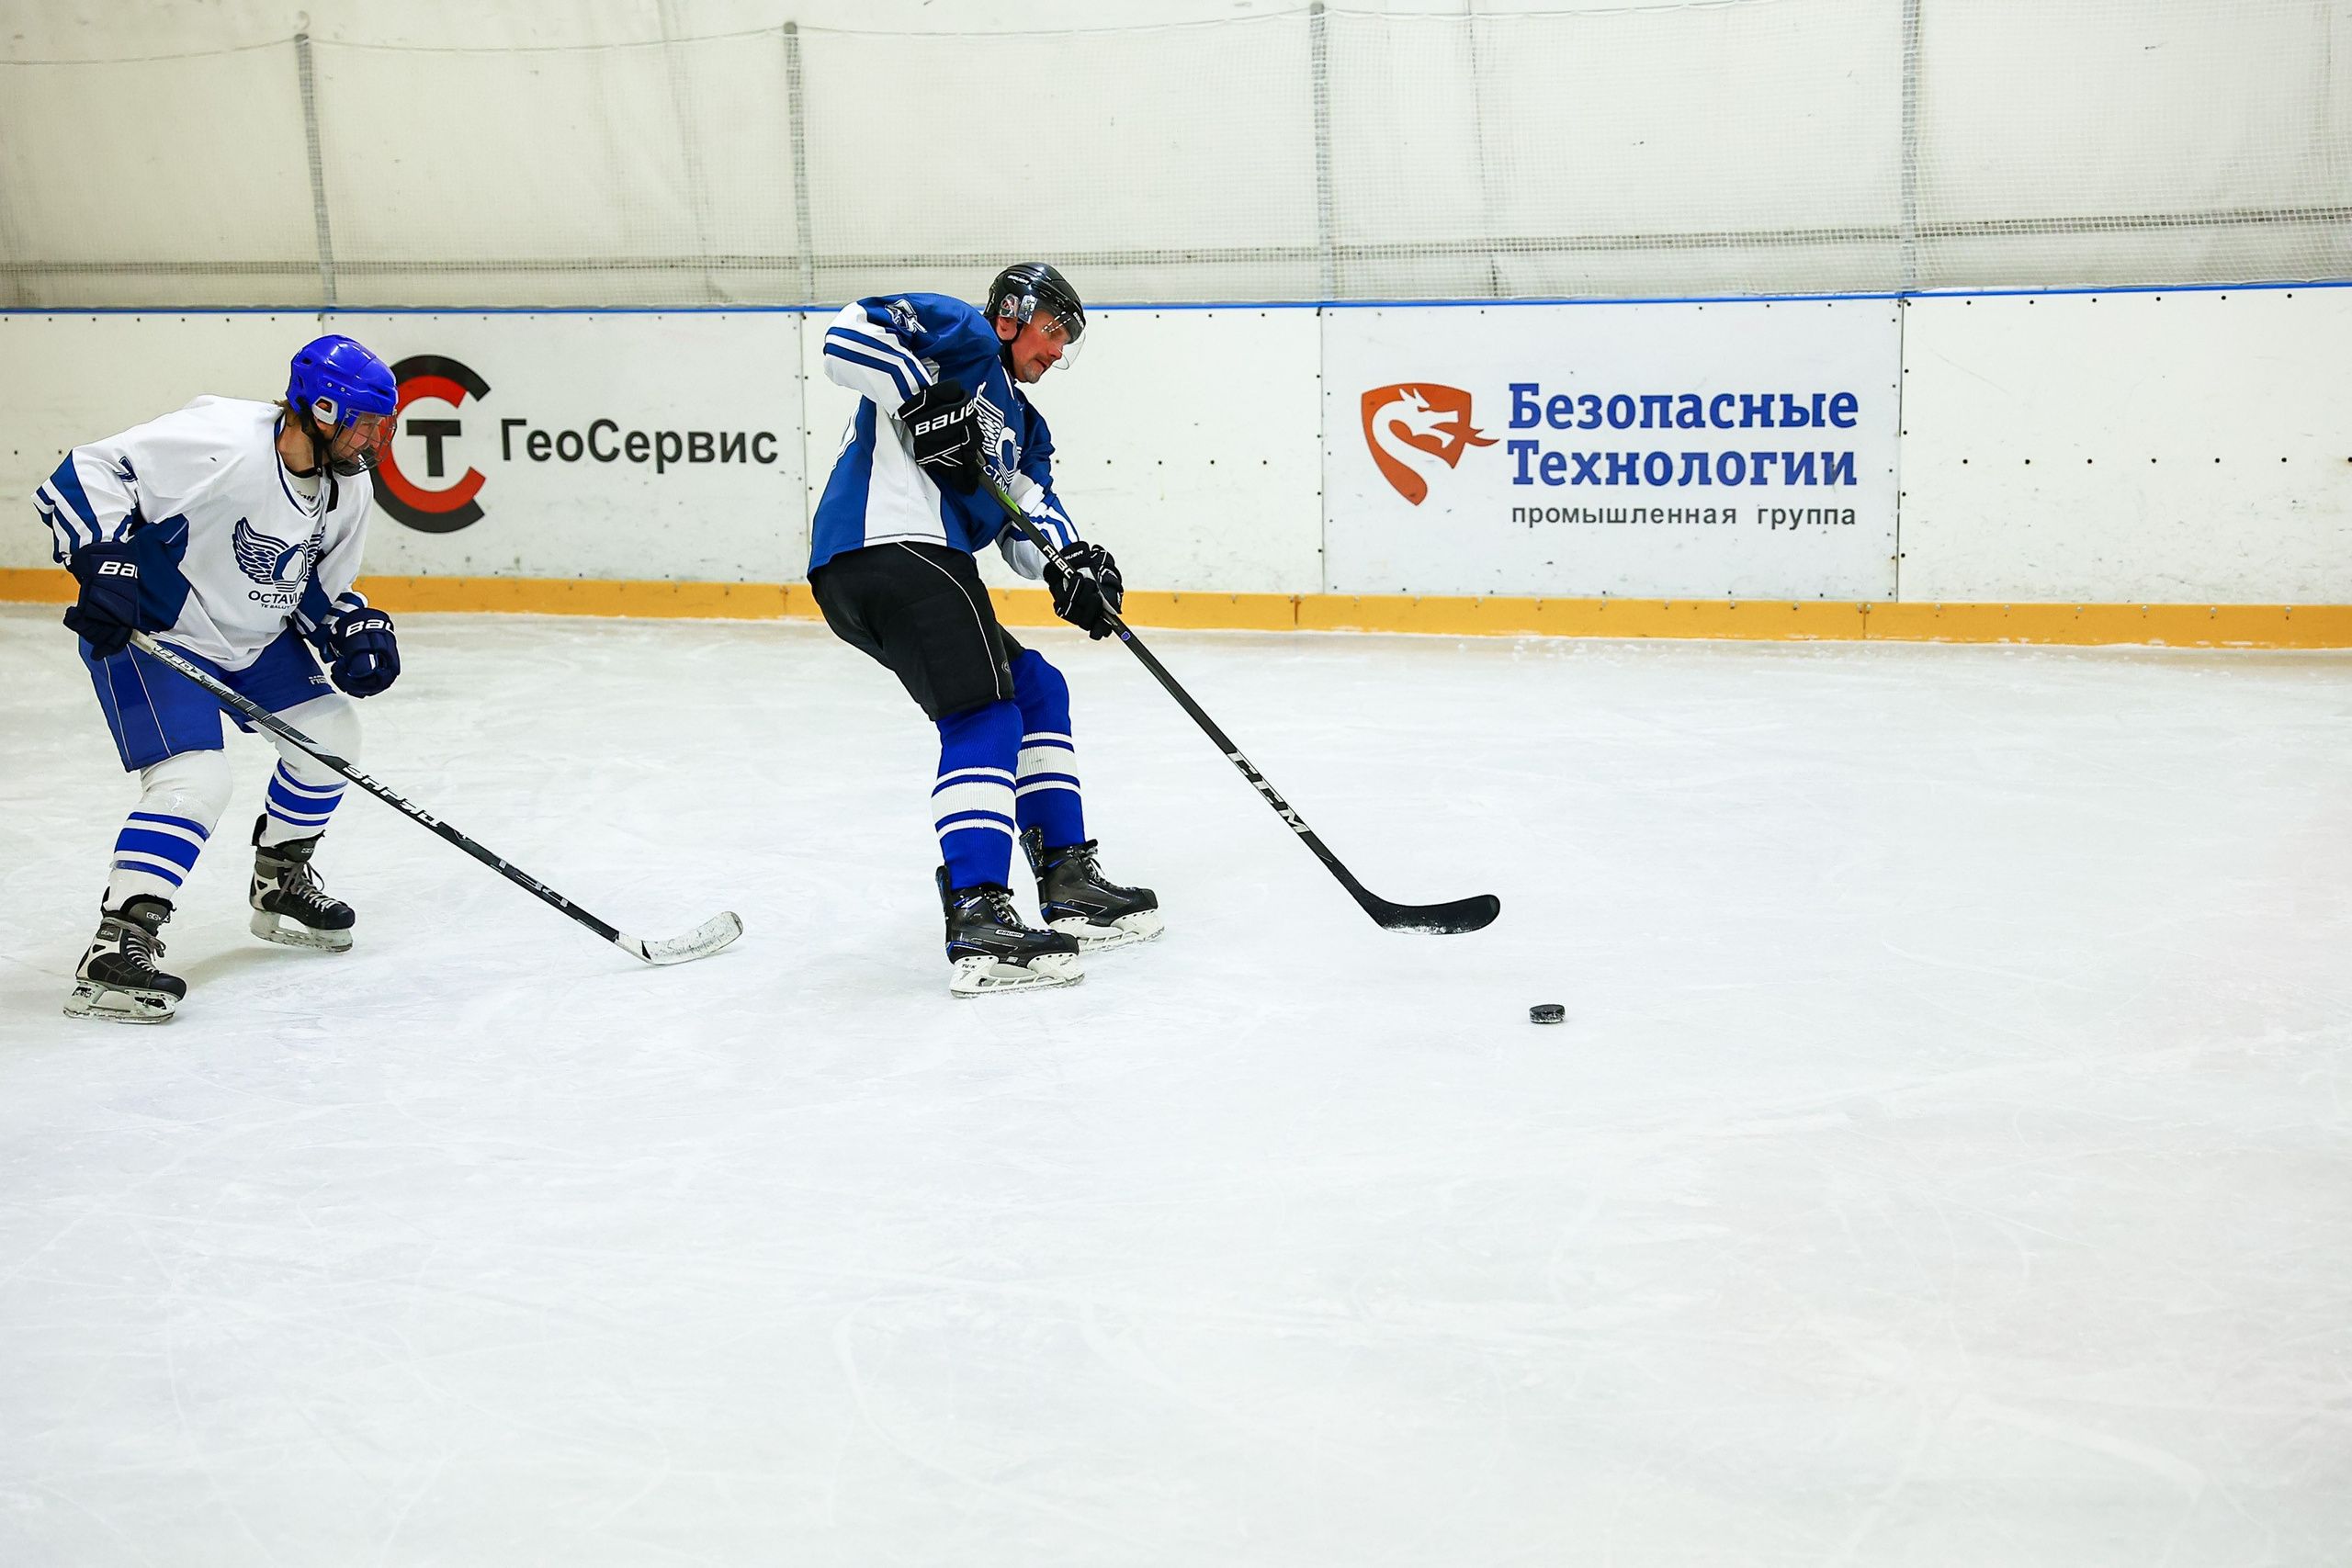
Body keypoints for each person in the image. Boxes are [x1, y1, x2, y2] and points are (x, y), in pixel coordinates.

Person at [810, 263, 1162, 997]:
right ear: (1011, 313)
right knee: (984, 710)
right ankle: (977, 913)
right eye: (1053, 329)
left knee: (1037, 687)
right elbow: (846, 335)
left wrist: (1072, 564)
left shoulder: (1025, 428)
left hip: (909, 562)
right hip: (886, 544)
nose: (1059, 351)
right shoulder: (960, 335)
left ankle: (1067, 877)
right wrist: (920, 396)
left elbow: (1030, 517)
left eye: (1069, 339)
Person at [35, 335, 404, 1023]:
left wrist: (349, 629)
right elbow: (82, 475)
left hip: (251, 637)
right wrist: (105, 563)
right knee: (197, 779)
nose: (373, 441)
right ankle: (120, 944)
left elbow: (315, 588)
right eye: (363, 423)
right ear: (319, 412)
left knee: (331, 737)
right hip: (158, 631)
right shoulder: (224, 440)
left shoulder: (348, 484)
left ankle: (280, 880)